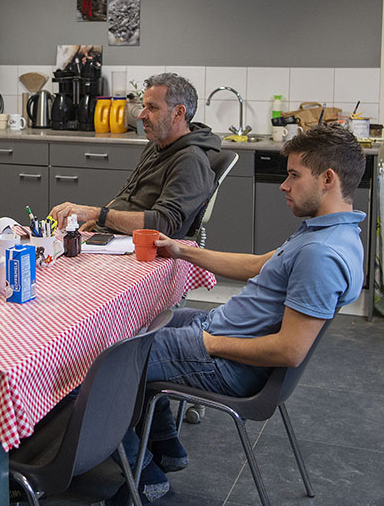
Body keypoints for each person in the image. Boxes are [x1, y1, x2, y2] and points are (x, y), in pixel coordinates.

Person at [115, 124, 367, 503]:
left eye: (294, 175)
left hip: (226, 360)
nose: (284, 185)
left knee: (102, 363)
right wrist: (182, 250)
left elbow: (289, 350)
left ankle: (141, 473)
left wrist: (210, 343)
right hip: (221, 336)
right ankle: (166, 444)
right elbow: (255, 265)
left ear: (327, 179)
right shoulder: (329, 233)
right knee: (137, 324)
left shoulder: (321, 255)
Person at [49, 72, 220, 238]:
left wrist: (98, 214)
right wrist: (100, 221)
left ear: (178, 113)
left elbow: (164, 224)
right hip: (115, 236)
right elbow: (128, 195)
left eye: (152, 107)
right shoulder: (156, 145)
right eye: (144, 106)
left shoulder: (190, 160)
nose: (141, 115)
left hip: (140, 249)